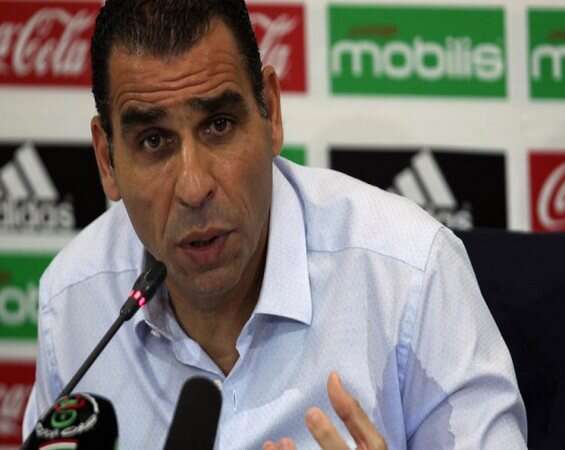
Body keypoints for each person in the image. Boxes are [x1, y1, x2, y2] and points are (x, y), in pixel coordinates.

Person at [23, 1, 527, 448]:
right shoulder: (73, 303)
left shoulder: (411, 278)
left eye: (219, 125)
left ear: (271, 112)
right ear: (107, 159)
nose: (194, 187)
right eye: (153, 141)